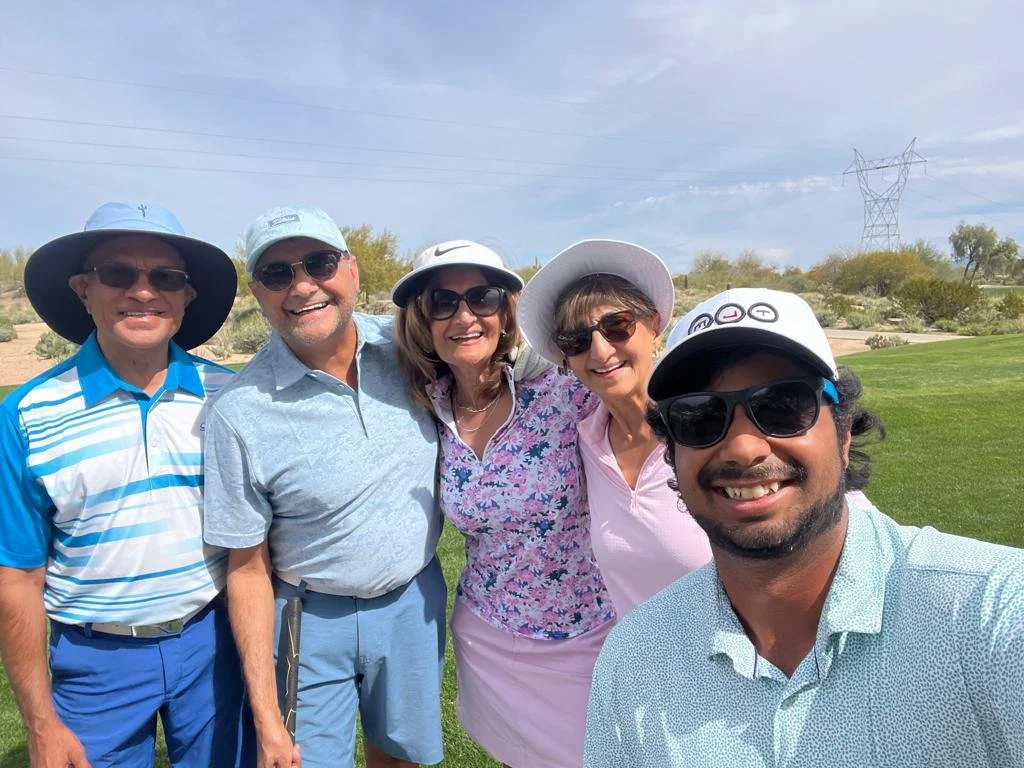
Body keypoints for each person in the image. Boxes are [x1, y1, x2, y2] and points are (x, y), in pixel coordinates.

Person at [584, 287, 1024, 767]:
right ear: (673, 455)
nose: (744, 449)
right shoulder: (635, 660)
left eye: (783, 406)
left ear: (843, 431)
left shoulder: (989, 612)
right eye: (700, 417)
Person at [0, 202, 244, 768]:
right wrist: (39, 725)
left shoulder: (231, 397)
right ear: (83, 288)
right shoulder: (27, 414)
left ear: (187, 296)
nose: (142, 292)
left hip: (214, 645)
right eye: (118, 273)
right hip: (95, 661)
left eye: (165, 277)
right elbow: (17, 575)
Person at [202, 205, 446, 768]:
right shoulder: (239, 412)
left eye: (319, 262)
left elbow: (503, 352)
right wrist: (265, 718)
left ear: (353, 271)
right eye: (278, 273)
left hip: (412, 599)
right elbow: (245, 567)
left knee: (403, 757)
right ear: (259, 293)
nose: (303, 285)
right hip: (306, 620)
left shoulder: (412, 349)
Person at [392, 241, 616, 768]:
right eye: (441, 303)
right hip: (486, 632)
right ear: (422, 322)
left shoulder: (564, 392)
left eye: (482, 297)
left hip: (583, 637)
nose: (464, 316)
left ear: (506, 310)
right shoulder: (429, 409)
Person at [518, 239, 712, 617]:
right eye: (576, 340)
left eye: (617, 326)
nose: (600, 351)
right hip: (639, 666)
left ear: (654, 325)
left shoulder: (708, 425)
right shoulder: (588, 441)